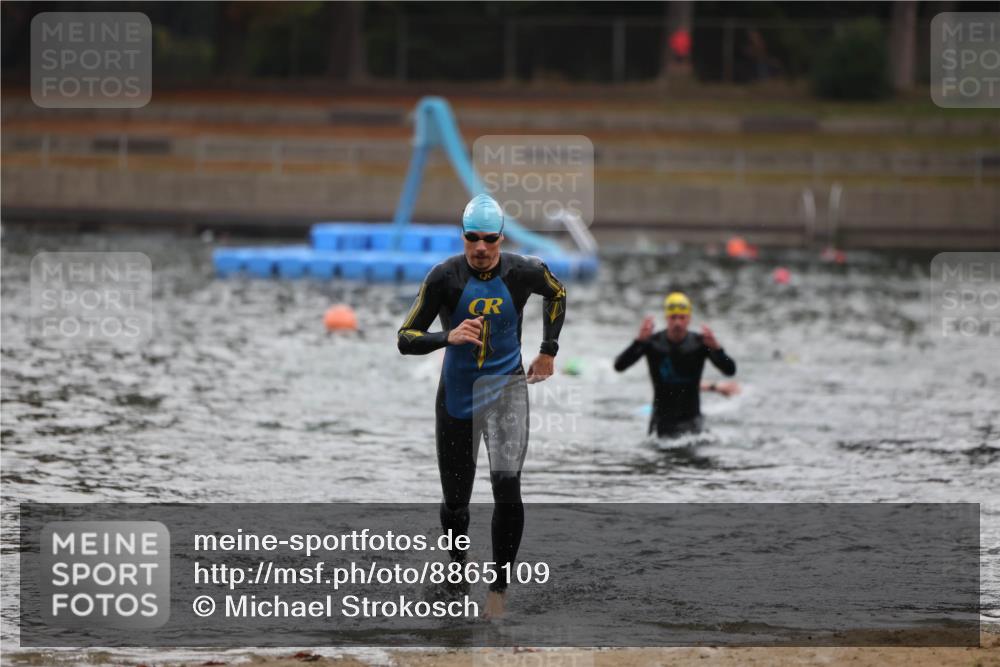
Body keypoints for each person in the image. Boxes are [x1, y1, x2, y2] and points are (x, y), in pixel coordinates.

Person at [397, 193, 567, 620]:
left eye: (489, 239)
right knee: (456, 503)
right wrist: (446, 336)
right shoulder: (444, 278)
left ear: (501, 238)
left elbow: (558, 293)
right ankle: (457, 577)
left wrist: (548, 350)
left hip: (507, 391)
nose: (480, 248)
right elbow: (405, 337)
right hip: (457, 397)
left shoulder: (524, 271)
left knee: (507, 489)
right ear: (463, 236)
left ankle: (498, 592)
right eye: (472, 238)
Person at [614, 292, 737, 438]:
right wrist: (638, 342)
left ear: (689, 319)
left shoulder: (700, 344)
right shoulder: (652, 343)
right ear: (666, 318)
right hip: (661, 423)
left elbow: (730, 370)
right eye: (673, 317)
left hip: (692, 420)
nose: (677, 322)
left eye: (682, 317)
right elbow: (619, 366)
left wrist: (717, 349)